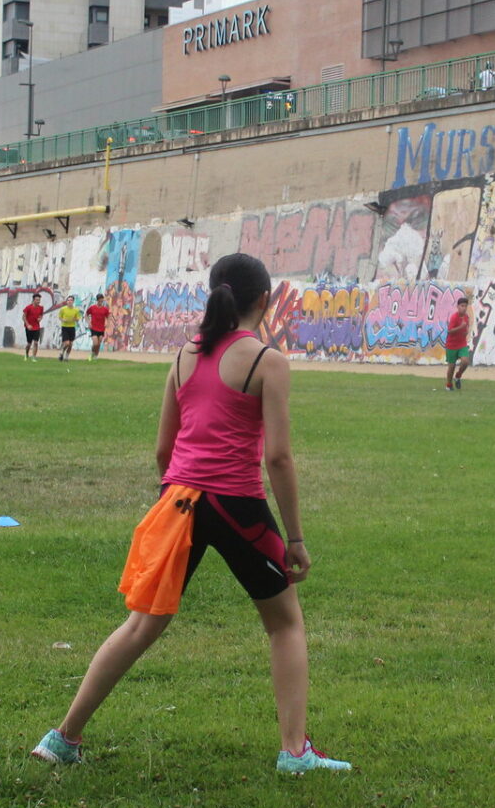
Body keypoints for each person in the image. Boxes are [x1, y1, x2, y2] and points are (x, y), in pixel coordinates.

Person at [32, 253, 349, 774]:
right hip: (238, 506)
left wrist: (174, 501)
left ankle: (63, 738)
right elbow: (279, 458)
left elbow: (164, 450)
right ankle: (295, 753)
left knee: (139, 627)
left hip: (179, 501)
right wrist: (294, 537)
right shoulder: (266, 360)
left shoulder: (183, 357)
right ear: (264, 301)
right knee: (285, 624)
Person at [443, 291, 474, 391]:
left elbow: (466, 328)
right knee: (451, 367)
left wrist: (465, 332)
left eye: (465, 306)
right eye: (462, 306)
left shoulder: (466, 317)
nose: (464, 308)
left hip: (462, 344)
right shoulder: (454, 317)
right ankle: (449, 385)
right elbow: (450, 331)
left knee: (465, 361)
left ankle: (458, 375)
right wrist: (460, 327)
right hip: (451, 345)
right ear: (458, 306)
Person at [87, 293, 112, 360]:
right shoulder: (92, 308)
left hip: (101, 329)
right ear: (97, 300)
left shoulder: (105, 309)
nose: (101, 302)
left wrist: (108, 322)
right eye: (100, 301)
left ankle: (95, 356)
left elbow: (109, 316)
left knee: (98, 344)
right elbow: (86, 315)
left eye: (102, 301)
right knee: (95, 343)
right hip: (94, 328)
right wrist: (89, 322)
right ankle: (92, 354)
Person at [22, 294, 45, 361]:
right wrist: (28, 325)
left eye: (39, 300)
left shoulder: (41, 308)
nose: (38, 301)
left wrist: (40, 319)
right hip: (29, 327)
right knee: (29, 343)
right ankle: (26, 354)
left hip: (36, 327)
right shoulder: (28, 307)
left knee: (36, 342)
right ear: (33, 300)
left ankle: (34, 357)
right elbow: (23, 317)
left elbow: (41, 316)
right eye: (37, 300)